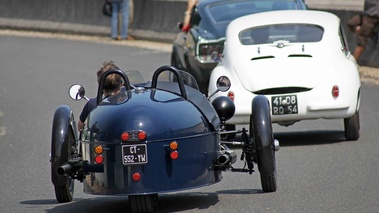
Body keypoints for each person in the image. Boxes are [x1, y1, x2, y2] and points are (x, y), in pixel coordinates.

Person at [77, 60, 123, 131]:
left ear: (100, 84)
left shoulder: (92, 104)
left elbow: (80, 127)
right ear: (121, 84)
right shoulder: (128, 102)